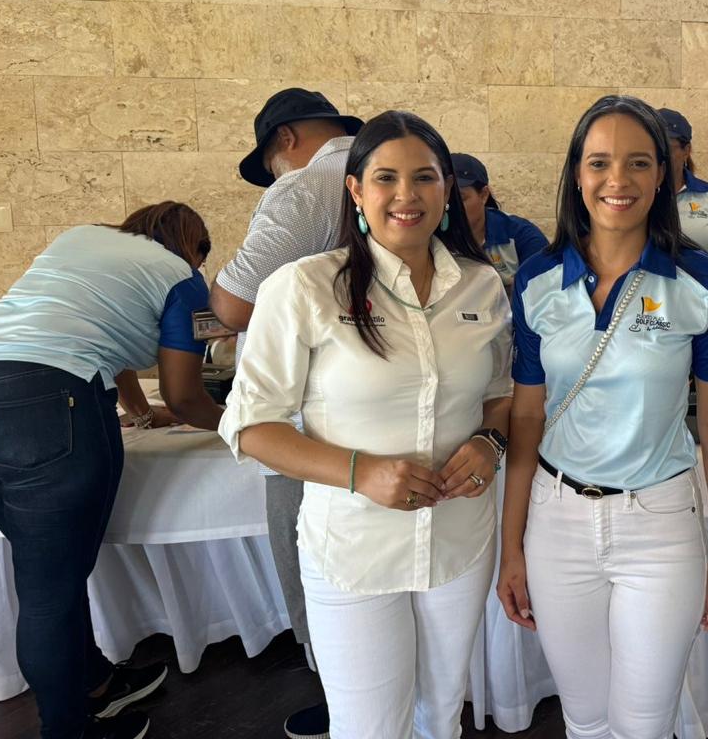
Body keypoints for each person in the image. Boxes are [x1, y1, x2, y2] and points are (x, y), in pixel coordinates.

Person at [219, 111, 512, 739]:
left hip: (459, 542)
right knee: (369, 727)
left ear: (446, 189)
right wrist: (361, 472)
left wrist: (489, 442)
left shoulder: (481, 285)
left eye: (425, 177)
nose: (407, 195)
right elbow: (250, 426)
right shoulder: (303, 287)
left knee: (442, 715)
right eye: (386, 178)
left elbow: (500, 394)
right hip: (354, 551)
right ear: (355, 189)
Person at [497, 95, 708, 739]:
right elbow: (527, 419)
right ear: (577, 175)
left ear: (663, 173)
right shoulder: (537, 280)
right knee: (584, 719)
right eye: (599, 162)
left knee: (644, 723)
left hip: (659, 525)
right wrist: (510, 547)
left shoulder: (700, 281)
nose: (618, 180)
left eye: (638, 162)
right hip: (557, 522)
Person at [0, 202, 224, 739]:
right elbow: (185, 396)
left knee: (51, 572)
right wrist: (241, 425)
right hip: (51, 403)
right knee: (50, 592)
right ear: (194, 247)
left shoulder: (79, 237)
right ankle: (67, 730)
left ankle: (93, 680)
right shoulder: (182, 278)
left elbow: (104, 340)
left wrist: (139, 414)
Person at [209, 87, 361, 739]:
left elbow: (235, 303)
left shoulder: (305, 185)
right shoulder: (383, 172)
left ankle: (341, 699)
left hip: (304, 421)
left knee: (309, 564)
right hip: (371, 406)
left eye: (270, 164)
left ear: (286, 139)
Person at [450, 153, 548, 290]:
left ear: (484, 195)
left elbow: (543, 290)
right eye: (445, 197)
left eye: (461, 198)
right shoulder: (432, 238)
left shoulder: (522, 235)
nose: (450, 207)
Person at [657, 108, 708, 267]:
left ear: (686, 150)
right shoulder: (640, 196)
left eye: (667, 148)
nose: (660, 155)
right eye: (655, 147)